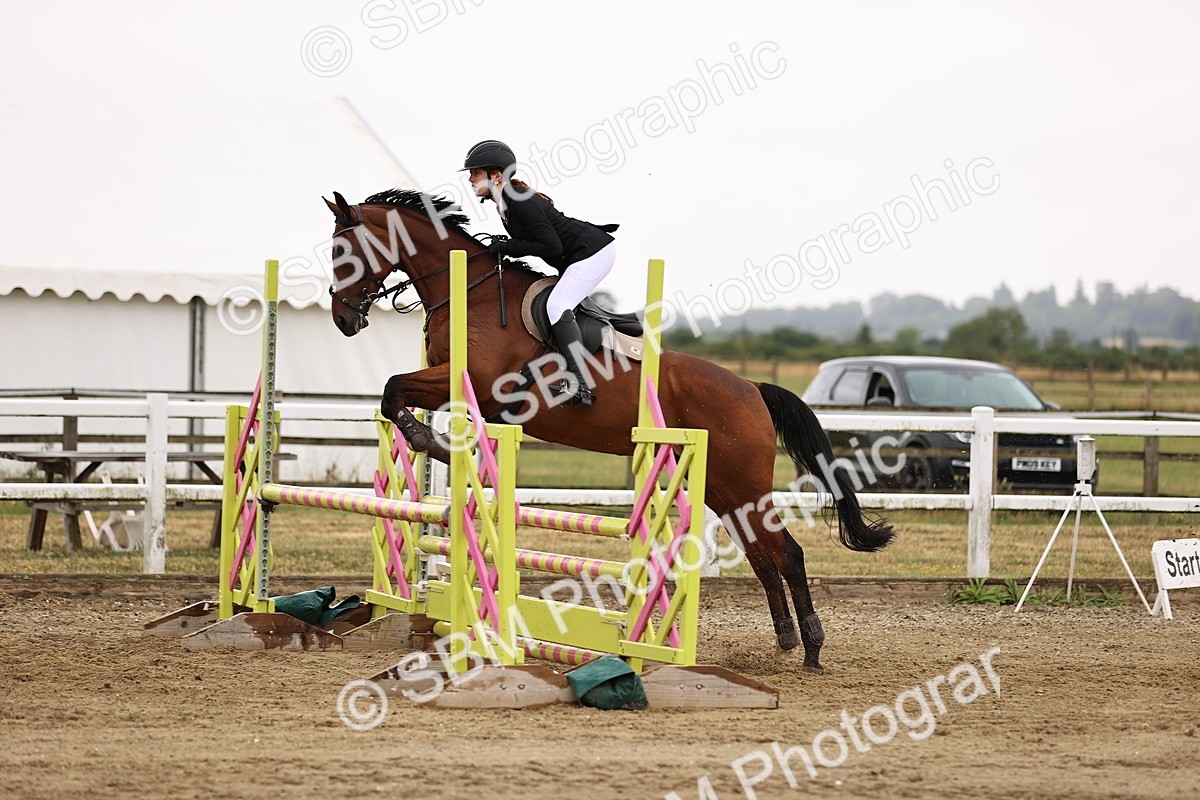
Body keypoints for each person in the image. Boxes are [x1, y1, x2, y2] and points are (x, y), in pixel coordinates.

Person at [462, 139, 617, 408]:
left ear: (496, 176)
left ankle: (579, 385)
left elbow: (551, 245)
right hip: (579, 255)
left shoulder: (520, 202)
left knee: (557, 305)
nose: (470, 179)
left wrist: (510, 246)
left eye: (475, 172)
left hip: (593, 253)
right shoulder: (506, 203)